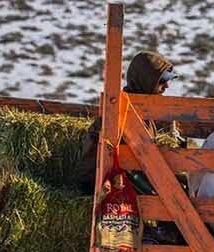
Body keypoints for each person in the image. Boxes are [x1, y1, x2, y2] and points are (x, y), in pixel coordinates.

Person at [76, 51, 178, 190]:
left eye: (169, 79)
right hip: (110, 190)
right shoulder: (119, 112)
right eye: (162, 80)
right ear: (146, 80)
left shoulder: (143, 112)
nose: (167, 86)